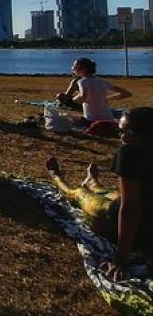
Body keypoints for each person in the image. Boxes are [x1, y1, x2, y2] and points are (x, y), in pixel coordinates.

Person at [45, 107, 153, 280]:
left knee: (78, 194)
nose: (121, 137)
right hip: (134, 209)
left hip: (124, 224)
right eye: (119, 131)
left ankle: (57, 177)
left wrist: (120, 259)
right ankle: (93, 181)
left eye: (125, 132)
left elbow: (131, 210)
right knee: (115, 193)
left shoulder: (131, 153)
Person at [61, 57, 131, 125]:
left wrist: (73, 100)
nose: (73, 69)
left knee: (64, 116)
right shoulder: (102, 81)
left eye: (75, 67)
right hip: (109, 119)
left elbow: (83, 96)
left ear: (84, 69)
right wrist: (106, 98)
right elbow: (126, 93)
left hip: (91, 120)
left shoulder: (82, 81)